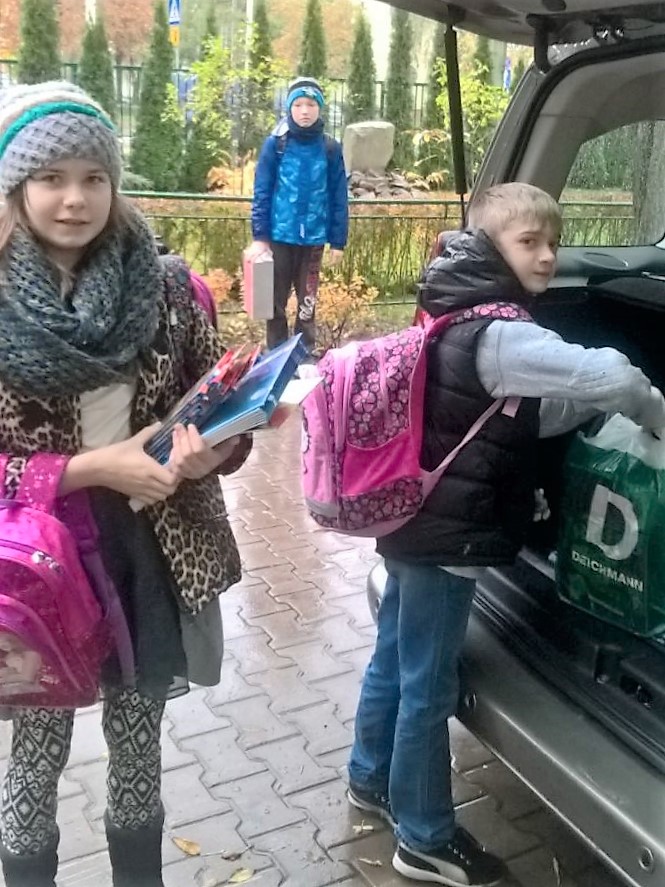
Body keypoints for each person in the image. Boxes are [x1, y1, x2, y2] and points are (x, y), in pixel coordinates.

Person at [346, 182, 665, 887]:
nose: (548, 256)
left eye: (554, 242)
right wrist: (654, 412)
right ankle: (423, 838)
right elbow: (610, 376)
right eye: (530, 243)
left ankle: (369, 778)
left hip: (412, 521)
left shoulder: (452, 309)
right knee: (428, 687)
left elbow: (515, 413)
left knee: (393, 658)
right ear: (491, 247)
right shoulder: (503, 332)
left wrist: (582, 416)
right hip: (449, 543)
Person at [0, 81, 251, 887]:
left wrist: (216, 448)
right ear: (17, 186)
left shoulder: (168, 287)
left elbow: (210, 404)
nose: (74, 198)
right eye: (51, 178)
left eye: (94, 177)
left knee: (138, 745)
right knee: (35, 750)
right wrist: (84, 469)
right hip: (35, 563)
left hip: (146, 549)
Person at [248, 76, 349, 354]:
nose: (305, 111)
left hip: (313, 241)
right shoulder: (275, 145)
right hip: (279, 238)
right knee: (274, 303)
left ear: (320, 108)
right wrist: (260, 236)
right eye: (298, 105)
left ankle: (302, 356)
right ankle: (276, 355)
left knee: (307, 304)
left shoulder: (330, 149)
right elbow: (262, 191)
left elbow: (339, 196)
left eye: (311, 105)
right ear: (289, 108)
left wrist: (338, 241)